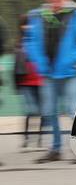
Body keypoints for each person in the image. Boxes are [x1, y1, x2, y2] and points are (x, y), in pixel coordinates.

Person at [24, 0, 76, 163]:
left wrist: (73, 58)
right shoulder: (37, 16)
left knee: (74, 111)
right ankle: (55, 148)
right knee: (49, 111)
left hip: (72, 72)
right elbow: (30, 41)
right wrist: (37, 61)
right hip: (48, 72)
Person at [13, 15, 43, 150]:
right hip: (25, 82)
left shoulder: (41, 40)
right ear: (21, 27)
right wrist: (17, 84)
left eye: (31, 24)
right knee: (31, 110)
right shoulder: (19, 43)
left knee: (42, 111)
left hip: (40, 81)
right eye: (25, 24)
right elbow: (15, 66)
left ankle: (39, 138)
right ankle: (27, 137)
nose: (28, 27)